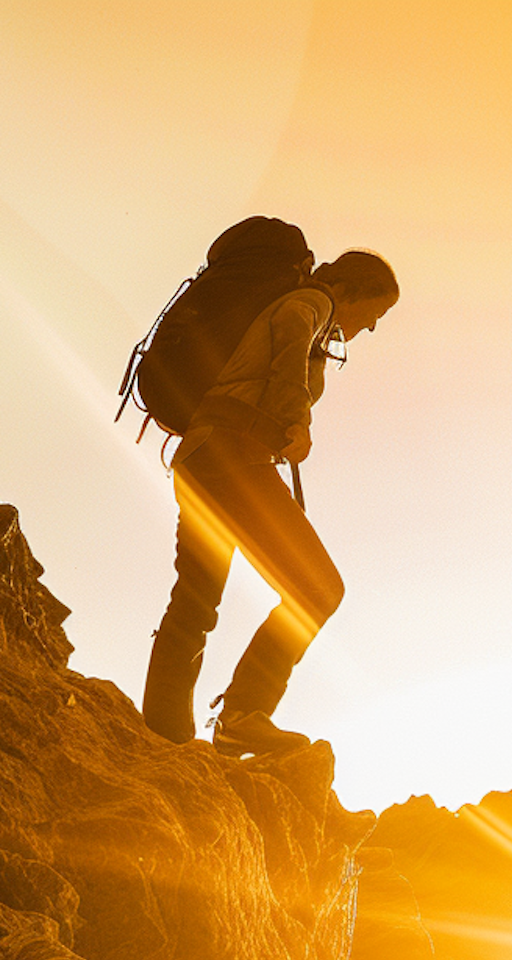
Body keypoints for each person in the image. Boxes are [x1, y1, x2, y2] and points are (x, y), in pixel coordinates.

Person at [140, 248, 399, 752]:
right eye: (374, 313)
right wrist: (293, 420)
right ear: (347, 290)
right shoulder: (311, 302)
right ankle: (243, 714)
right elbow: (292, 333)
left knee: (196, 600)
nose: (369, 328)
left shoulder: (303, 305)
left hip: (204, 456)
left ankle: (164, 734)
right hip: (235, 460)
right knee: (317, 590)